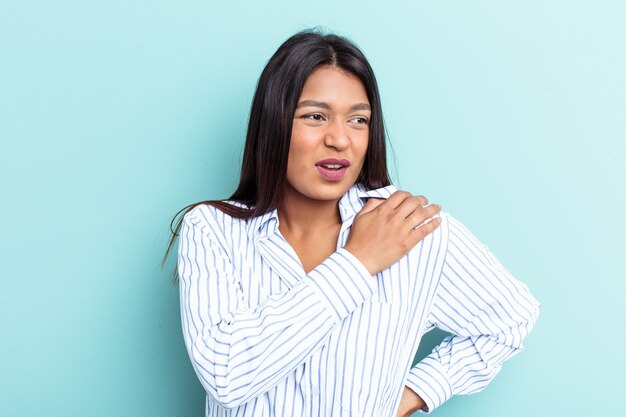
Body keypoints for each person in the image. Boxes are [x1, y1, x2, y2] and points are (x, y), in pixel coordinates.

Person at [165, 30, 540, 417]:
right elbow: (227, 375)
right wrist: (357, 263)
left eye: (358, 120)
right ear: (275, 124)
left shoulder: (411, 228)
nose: (340, 140)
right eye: (315, 116)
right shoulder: (212, 229)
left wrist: (408, 396)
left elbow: (510, 319)